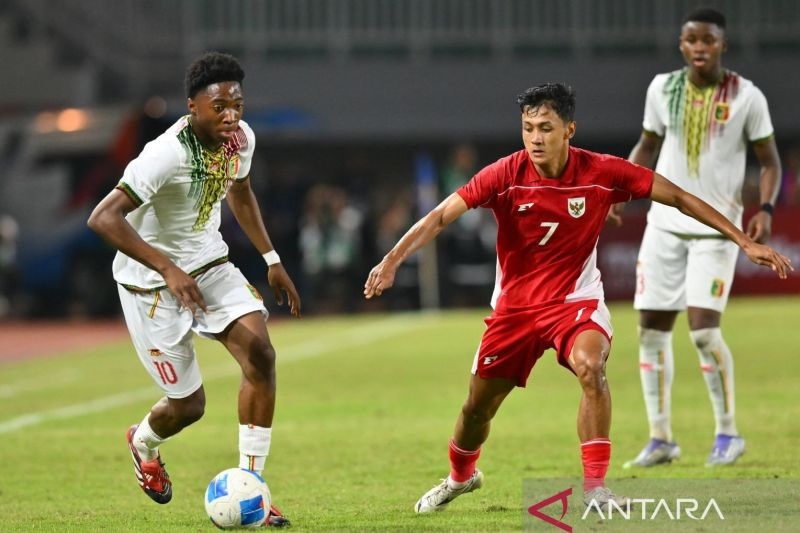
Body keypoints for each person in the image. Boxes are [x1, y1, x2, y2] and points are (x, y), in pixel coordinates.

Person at [363, 83, 791, 513]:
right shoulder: (504, 174)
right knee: (477, 407)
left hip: (574, 302)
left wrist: (742, 241)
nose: (535, 138)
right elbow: (440, 216)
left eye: (545, 128)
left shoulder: (603, 172)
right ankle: (460, 477)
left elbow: (677, 196)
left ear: (569, 130)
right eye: (528, 128)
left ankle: (596, 488)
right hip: (515, 309)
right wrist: (392, 259)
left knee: (591, 366)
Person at [88, 51, 300, 527]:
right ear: (192, 106)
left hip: (209, 266)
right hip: (151, 286)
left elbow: (240, 192)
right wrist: (167, 269)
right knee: (189, 407)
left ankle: (252, 489)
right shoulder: (166, 154)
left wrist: (272, 259)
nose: (231, 116)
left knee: (261, 355)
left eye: (238, 105)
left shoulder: (240, 139)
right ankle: (142, 442)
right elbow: (102, 218)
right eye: (219, 106)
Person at [617, 8, 783, 468]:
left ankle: (728, 433)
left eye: (708, 40)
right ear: (681, 44)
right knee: (650, 334)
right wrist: (619, 193)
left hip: (715, 232)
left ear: (722, 46)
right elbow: (646, 148)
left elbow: (770, 161)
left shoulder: (747, 97)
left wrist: (765, 211)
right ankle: (661, 438)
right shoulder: (661, 88)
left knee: (705, 333)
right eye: (691, 39)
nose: (699, 48)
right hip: (663, 228)